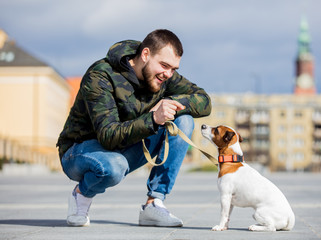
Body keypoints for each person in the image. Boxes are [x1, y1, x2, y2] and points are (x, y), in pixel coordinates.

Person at [56, 29, 211, 227]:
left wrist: (169, 102)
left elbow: (205, 101)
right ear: (145, 55)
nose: (168, 74)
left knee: (184, 120)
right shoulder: (101, 75)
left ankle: (154, 203)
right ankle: (81, 195)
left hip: (124, 146)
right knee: (113, 167)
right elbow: (108, 135)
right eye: (164, 66)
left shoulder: (164, 76)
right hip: (80, 151)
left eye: (174, 69)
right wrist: (153, 118)